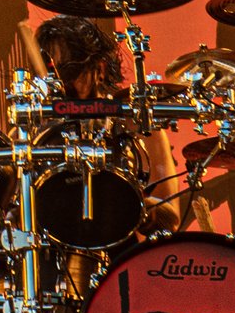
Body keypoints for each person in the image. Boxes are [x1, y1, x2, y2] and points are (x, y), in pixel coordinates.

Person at [35, 15, 196, 233]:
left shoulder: (137, 124)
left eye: (68, 71)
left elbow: (170, 218)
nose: (60, 84)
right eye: (50, 74)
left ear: (99, 69)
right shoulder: (34, 130)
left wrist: (125, 199)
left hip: (120, 254)